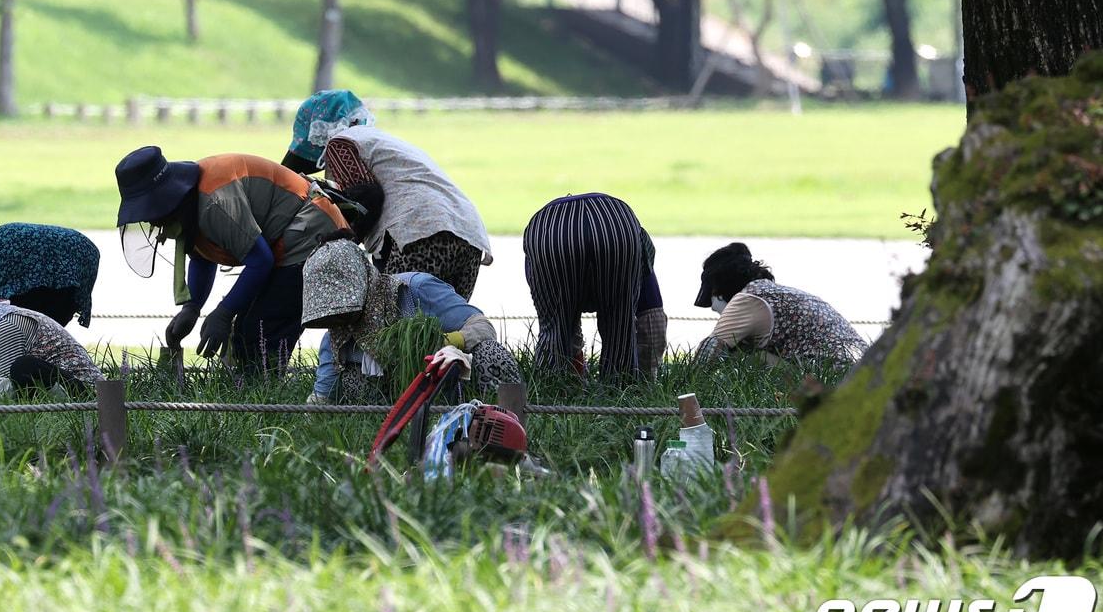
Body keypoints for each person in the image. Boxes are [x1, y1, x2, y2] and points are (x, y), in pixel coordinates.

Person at [115, 147, 348, 369]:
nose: (151, 222)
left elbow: (260, 261)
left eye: (150, 211)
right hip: (283, 241)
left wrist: (224, 313)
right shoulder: (188, 206)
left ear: (166, 200)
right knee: (246, 331)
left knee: (260, 332)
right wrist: (192, 308)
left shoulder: (214, 202)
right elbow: (203, 257)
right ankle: (254, 398)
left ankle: (265, 404)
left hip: (309, 232)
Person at [281, 89, 492, 299]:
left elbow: (366, 197)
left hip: (419, 232)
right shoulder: (381, 141)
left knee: (396, 326)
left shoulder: (340, 143)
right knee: (447, 324)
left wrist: (342, 244)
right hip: (469, 235)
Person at [301, 235, 520, 404]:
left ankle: (503, 422)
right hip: (394, 407)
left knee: (491, 353)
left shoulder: (415, 289)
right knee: (351, 380)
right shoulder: (337, 337)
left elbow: (483, 327)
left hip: (451, 386)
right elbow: (323, 398)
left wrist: (447, 342)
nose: (340, 319)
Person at [523, 193, 666, 379]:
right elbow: (652, 316)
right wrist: (646, 380)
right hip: (616, 223)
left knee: (556, 329)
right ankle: (620, 395)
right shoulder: (638, 244)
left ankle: (555, 395)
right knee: (620, 326)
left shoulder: (540, 244)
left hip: (549, 232)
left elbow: (555, 320)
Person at [693, 242, 867, 368]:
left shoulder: (748, 298)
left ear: (721, 290)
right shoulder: (768, 292)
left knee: (743, 355)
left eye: (713, 298)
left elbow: (710, 348)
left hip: (834, 375)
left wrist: (683, 385)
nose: (713, 309)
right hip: (862, 368)